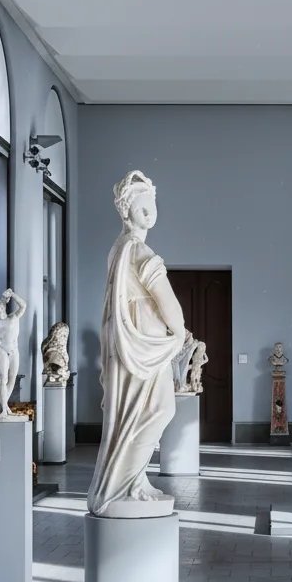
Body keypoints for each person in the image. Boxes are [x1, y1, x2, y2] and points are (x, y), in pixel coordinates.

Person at [88, 171, 186, 517]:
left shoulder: (119, 248)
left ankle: (132, 481)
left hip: (131, 339)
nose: (149, 212)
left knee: (133, 414)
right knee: (157, 409)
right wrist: (179, 331)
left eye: (151, 206)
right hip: (142, 341)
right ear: (126, 211)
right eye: (141, 207)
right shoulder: (138, 249)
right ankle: (122, 484)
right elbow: (166, 299)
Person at [0, 288, 25, 418]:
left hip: (14, 350)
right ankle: (3, 409)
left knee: (12, 378)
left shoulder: (13, 317)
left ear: (3, 307)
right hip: (2, 351)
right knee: (3, 379)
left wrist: (12, 294)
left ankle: (5, 404)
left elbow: (23, 305)